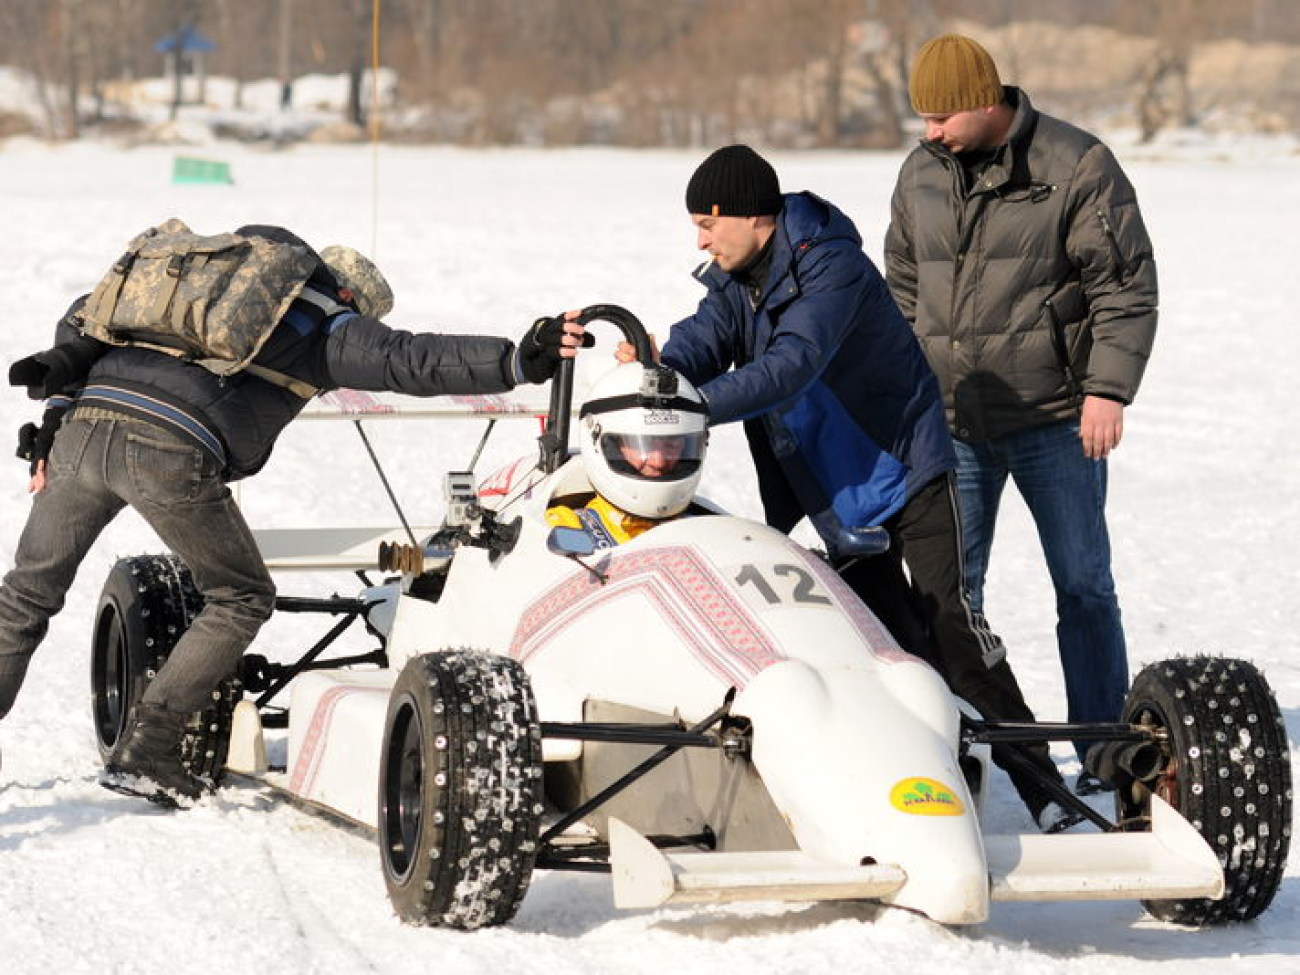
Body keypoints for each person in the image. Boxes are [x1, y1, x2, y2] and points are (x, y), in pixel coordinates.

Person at [1, 225, 586, 805]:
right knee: (240, 596)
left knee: (27, 593)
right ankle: (149, 749)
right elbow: (408, 358)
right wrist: (515, 361)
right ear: (350, 297)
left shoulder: (184, 293)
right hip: (168, 450)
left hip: (81, 433)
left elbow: (83, 314)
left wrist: (56, 412)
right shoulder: (322, 318)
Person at [636, 144, 1081, 832]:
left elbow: (793, 364)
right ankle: (919, 779)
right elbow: (705, 337)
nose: (700, 240)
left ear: (752, 216)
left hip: (905, 466)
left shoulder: (831, 265)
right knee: (883, 644)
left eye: (707, 223)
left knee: (951, 633)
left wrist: (693, 404)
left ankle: (1046, 792)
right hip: (835, 491)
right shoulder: (737, 279)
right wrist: (661, 373)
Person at [883, 35, 1158, 793]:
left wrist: (1108, 390)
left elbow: (1124, 287)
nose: (930, 131)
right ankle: (959, 745)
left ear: (984, 102)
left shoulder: (1077, 164)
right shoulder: (920, 172)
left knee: (1083, 585)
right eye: (923, 117)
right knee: (948, 597)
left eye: (942, 116)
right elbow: (901, 287)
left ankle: (1103, 747)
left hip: (1055, 417)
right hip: (951, 423)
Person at [546, 361, 708, 547]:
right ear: (611, 446)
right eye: (644, 446)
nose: (658, 461)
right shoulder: (564, 528)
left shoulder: (706, 529)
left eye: (671, 444)